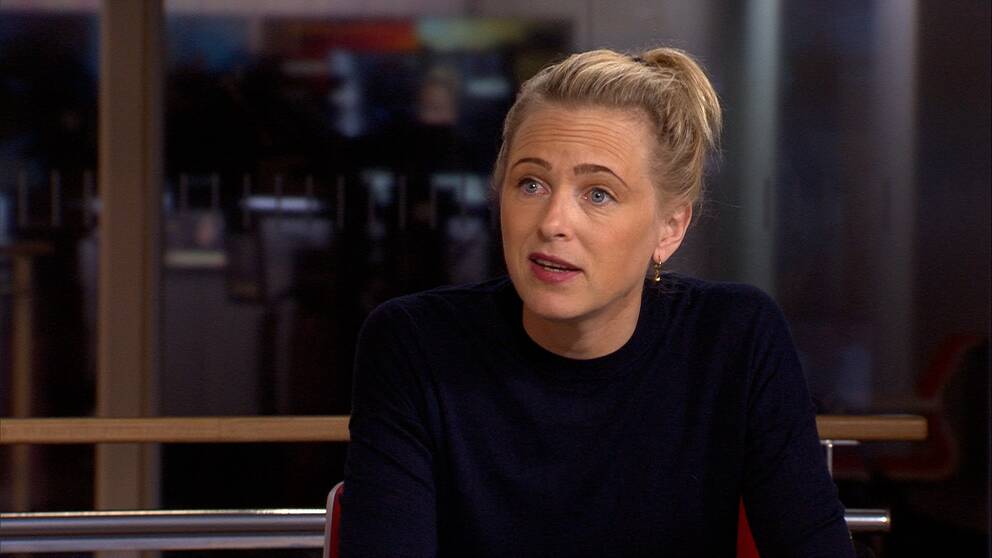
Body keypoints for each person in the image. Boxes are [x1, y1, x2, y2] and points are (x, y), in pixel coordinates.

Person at [340, 47, 855, 557]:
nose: (552, 223)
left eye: (598, 194)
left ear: (669, 228)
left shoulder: (735, 339)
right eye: (531, 184)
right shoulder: (414, 344)